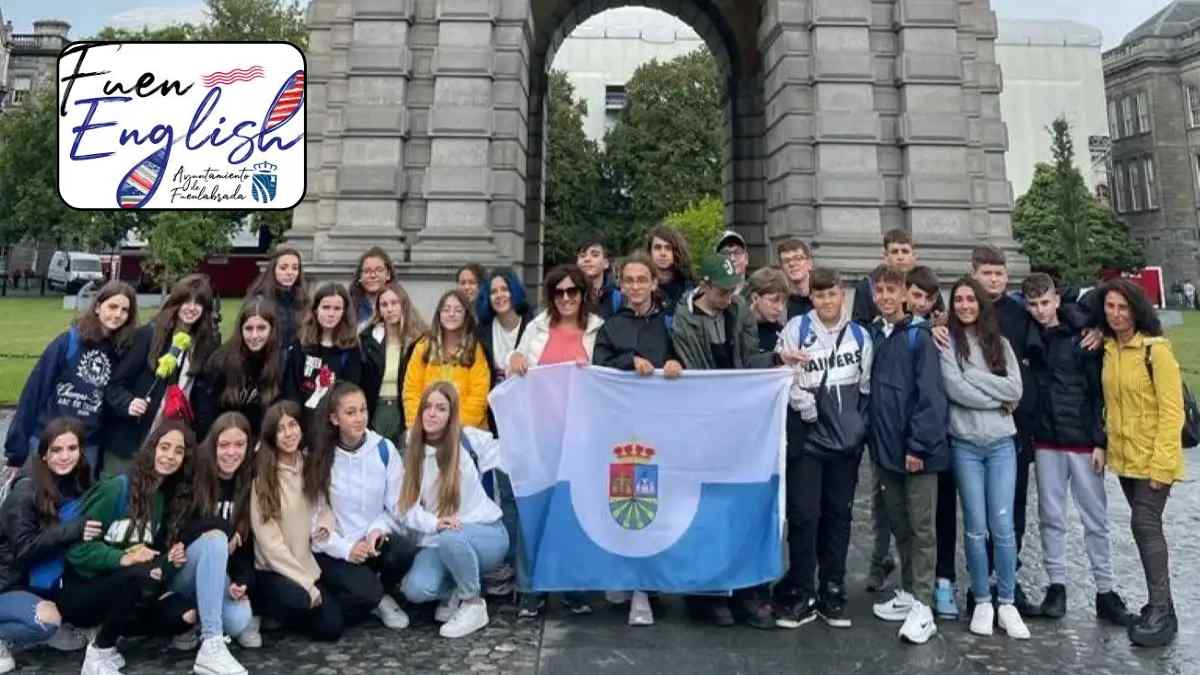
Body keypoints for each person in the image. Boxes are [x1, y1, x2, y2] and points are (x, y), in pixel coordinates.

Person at [672, 252, 778, 628]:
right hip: (702, 421)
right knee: (706, 509)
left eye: (732, 291)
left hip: (738, 419)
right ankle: (706, 594)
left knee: (742, 505)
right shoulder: (684, 319)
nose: (727, 298)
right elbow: (696, 369)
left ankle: (746, 590)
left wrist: (775, 358)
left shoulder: (739, 311)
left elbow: (747, 359)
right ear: (704, 286)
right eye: (721, 292)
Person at [1021, 273, 1134, 626]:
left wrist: (1100, 440)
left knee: (1095, 518)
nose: (1040, 310)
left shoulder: (1082, 333)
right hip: (1047, 438)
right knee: (1051, 517)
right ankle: (1056, 585)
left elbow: (1099, 393)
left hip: (1083, 440)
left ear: (1057, 300)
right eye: (1033, 304)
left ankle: (1105, 589)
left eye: (1045, 303)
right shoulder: (1028, 334)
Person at [773, 268, 872, 631]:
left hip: (845, 444)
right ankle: (802, 591)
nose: (826, 301)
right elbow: (782, 373)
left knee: (838, 517)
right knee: (803, 516)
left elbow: (866, 388)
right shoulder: (796, 328)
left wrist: (858, 429)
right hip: (808, 439)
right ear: (811, 297)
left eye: (832, 294)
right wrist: (802, 402)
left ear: (842, 294)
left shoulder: (860, 336)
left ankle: (833, 589)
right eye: (819, 295)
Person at [506, 265, 604, 618]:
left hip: (581, 437)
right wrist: (515, 358)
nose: (565, 298)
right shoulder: (537, 326)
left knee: (576, 511)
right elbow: (515, 361)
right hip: (539, 433)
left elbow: (607, 374)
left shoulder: (597, 329)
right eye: (559, 292)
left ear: (583, 294)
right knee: (535, 509)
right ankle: (530, 589)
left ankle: (574, 588)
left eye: (572, 291)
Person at [63, 420, 196, 675]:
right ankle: (99, 651)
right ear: (151, 448)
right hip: (82, 590)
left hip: (124, 589)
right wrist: (123, 557)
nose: (170, 456)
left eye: (178, 451)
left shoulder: (160, 499)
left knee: (184, 615)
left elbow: (148, 557)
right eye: (164, 447)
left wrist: (170, 560)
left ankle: (108, 634)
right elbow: (76, 551)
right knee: (140, 575)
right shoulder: (115, 489)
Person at [593, 252, 683, 626]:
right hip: (622, 431)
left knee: (655, 504)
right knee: (624, 503)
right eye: (628, 280)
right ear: (621, 284)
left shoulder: (671, 323)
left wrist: (677, 363)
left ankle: (646, 585)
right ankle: (626, 576)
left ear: (653, 283)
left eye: (641, 279)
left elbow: (685, 357)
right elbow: (599, 366)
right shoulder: (611, 326)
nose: (635, 286)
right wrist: (629, 360)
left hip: (660, 429)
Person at [939, 277, 1029, 640]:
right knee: (975, 527)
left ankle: (1006, 601)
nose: (964, 305)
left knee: (1003, 526)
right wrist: (998, 400)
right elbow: (955, 389)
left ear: (980, 304)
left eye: (970, 299)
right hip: (966, 446)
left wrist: (973, 375)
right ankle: (981, 600)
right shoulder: (947, 342)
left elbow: (1016, 389)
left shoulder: (1000, 344)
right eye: (958, 300)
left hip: (1001, 445)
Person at [1098, 278, 1185, 647]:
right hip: (1126, 458)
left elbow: (1172, 411)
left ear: (1137, 310)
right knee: (1145, 528)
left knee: (1144, 524)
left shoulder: (1155, 351)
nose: (1117, 314)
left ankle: (1161, 611)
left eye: (1124, 307)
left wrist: (1162, 466)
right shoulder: (1108, 348)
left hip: (1154, 458)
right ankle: (1163, 605)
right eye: (1110, 307)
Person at [866, 265, 948, 645]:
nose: (885, 296)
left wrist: (918, 446)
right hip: (886, 451)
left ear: (904, 294)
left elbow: (930, 397)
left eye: (891, 290)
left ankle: (925, 606)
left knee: (922, 527)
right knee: (901, 524)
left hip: (916, 452)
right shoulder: (875, 334)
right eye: (879, 290)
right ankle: (912, 591)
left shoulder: (919, 337)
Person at [398, 382, 507, 639]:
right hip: (440, 537)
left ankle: (473, 604)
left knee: (451, 537)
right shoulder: (411, 446)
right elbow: (406, 508)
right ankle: (456, 589)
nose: (432, 413)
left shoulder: (470, 440)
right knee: (415, 590)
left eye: (441, 408)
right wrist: (434, 523)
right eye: (427, 407)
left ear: (452, 414)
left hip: (484, 534)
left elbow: (512, 453)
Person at [310, 382, 415, 633]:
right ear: (334, 419)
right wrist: (346, 549)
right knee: (363, 595)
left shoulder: (384, 449)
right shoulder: (321, 456)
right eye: (350, 412)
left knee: (403, 550)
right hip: (337, 548)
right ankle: (370, 597)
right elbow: (314, 520)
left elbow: (397, 506)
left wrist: (377, 529)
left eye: (363, 410)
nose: (359, 418)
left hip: (372, 542)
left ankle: (381, 592)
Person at [6, 281, 138, 473]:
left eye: (125, 310)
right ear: (98, 307)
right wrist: (16, 448)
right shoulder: (69, 341)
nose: (118, 314)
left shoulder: (122, 352)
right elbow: (34, 392)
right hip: (49, 438)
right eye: (112, 306)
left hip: (87, 445)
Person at [0, 419, 98, 673]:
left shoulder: (76, 479)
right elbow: (24, 549)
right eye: (56, 450)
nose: (65, 456)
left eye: (72, 448)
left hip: (31, 580)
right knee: (47, 621)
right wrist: (73, 530)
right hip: (6, 583)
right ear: (44, 453)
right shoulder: (25, 490)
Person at [104, 274, 218, 478]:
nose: (191, 308)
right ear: (176, 302)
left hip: (169, 446)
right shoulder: (148, 335)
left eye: (198, 303)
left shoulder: (205, 346)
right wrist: (128, 403)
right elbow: (115, 385)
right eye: (186, 301)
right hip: (132, 439)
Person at [172, 412, 259, 674]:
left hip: (218, 574)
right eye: (224, 445)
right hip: (183, 568)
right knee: (215, 540)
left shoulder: (247, 480)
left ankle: (196, 617)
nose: (231, 452)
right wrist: (223, 528)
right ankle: (211, 643)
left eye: (239, 445)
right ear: (213, 445)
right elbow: (179, 529)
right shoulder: (193, 471)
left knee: (239, 620)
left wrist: (241, 581)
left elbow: (245, 543)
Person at [250, 401, 343, 641]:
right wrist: (306, 584)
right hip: (274, 570)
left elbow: (324, 504)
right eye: (280, 429)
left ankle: (285, 617)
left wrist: (325, 524)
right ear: (271, 436)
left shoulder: (309, 464)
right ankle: (261, 609)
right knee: (301, 600)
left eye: (292, 425)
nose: (289, 433)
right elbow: (271, 546)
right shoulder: (263, 478)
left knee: (332, 627)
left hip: (307, 562)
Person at [193, 298, 283, 441]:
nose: (254, 336)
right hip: (222, 439)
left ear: (272, 329)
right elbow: (204, 413)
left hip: (261, 441)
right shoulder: (220, 360)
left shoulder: (281, 361)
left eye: (261, 328)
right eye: (248, 329)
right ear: (240, 330)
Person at [403, 290, 491, 430]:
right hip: (426, 428)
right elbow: (411, 391)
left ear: (466, 316)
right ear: (439, 314)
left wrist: (454, 428)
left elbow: (479, 397)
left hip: (465, 431)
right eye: (446, 309)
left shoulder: (475, 349)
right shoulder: (423, 346)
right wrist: (419, 426)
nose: (451, 314)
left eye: (458, 310)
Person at [283, 282, 363, 426]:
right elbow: (290, 388)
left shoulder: (351, 348)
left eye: (337, 308)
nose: (331, 314)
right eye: (326, 307)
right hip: (303, 421)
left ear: (344, 312)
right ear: (315, 309)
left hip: (335, 423)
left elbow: (350, 391)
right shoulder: (301, 343)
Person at [360, 281, 427, 446]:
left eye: (394, 303)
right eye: (384, 305)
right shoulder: (368, 339)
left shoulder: (418, 339)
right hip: (376, 407)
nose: (389, 309)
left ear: (404, 305)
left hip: (404, 408)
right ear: (378, 309)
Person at [245, 247, 309, 356]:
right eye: (283, 268)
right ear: (273, 270)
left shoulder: (303, 300)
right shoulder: (259, 301)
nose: (290, 272)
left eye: (295, 268)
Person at [851, 228, 918, 325]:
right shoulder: (867, 286)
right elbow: (858, 327)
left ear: (914, 256)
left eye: (905, 251)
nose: (900, 257)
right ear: (885, 256)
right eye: (894, 252)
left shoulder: (924, 284)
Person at [645, 224, 695, 319]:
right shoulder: (642, 286)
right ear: (649, 252)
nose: (663, 253)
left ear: (676, 252)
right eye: (657, 247)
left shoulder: (689, 287)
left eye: (668, 248)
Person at [349, 247, 395, 329]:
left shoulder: (401, 303)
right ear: (360, 276)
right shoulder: (348, 306)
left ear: (388, 274)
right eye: (367, 271)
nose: (373, 275)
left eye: (379, 270)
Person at [746, 267, 789, 352]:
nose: (780, 308)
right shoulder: (738, 329)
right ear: (755, 298)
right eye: (773, 300)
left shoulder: (781, 332)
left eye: (783, 301)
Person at [576, 241, 620, 319]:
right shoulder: (567, 295)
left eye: (595, 255)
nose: (587, 259)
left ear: (606, 263)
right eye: (582, 256)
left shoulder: (618, 298)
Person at [778, 239, 813, 320]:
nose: (792, 264)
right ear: (781, 268)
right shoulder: (779, 302)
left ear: (810, 263)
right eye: (786, 261)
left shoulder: (823, 295)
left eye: (798, 258)